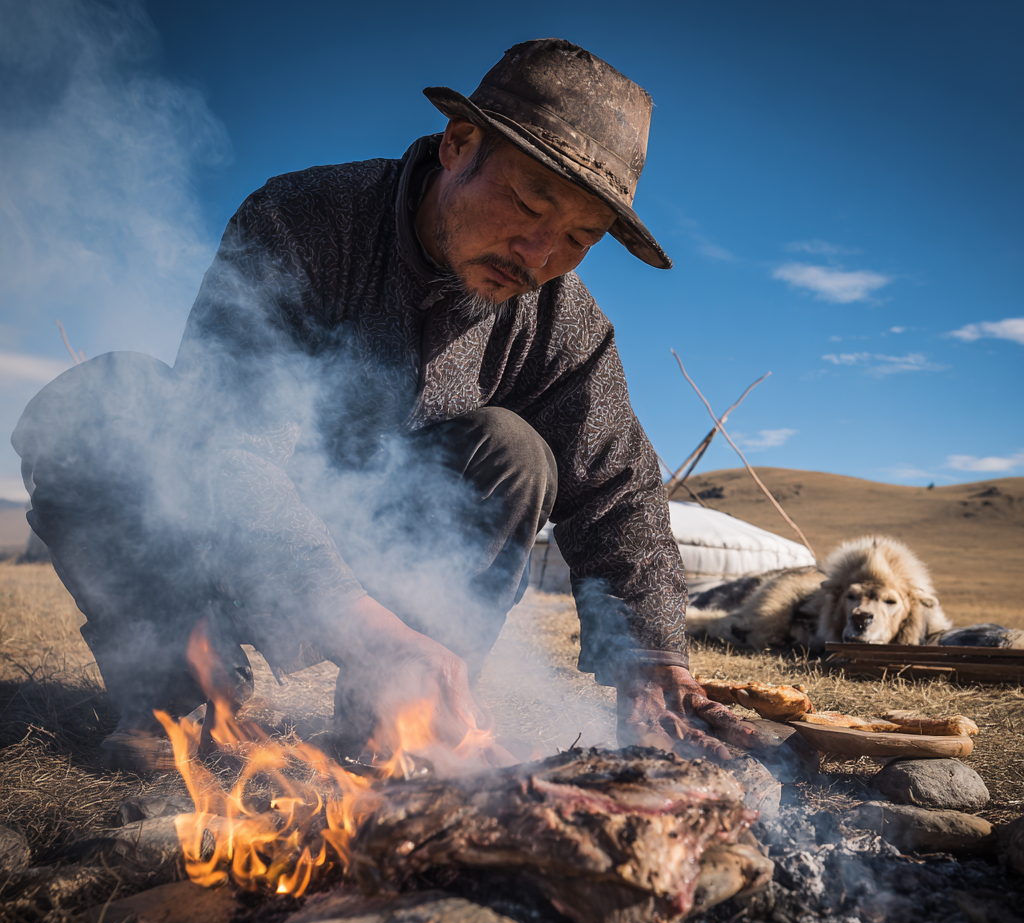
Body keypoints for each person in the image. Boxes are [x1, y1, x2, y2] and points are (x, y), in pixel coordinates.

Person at [13, 38, 755, 771]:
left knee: (514, 450)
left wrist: (654, 660)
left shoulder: (561, 321)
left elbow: (617, 490)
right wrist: (362, 624)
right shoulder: (303, 224)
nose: (538, 254)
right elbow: (228, 452)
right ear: (458, 145)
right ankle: (178, 691)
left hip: (390, 559)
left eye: (579, 238)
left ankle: (392, 719)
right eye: (529, 204)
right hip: (221, 536)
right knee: (102, 401)